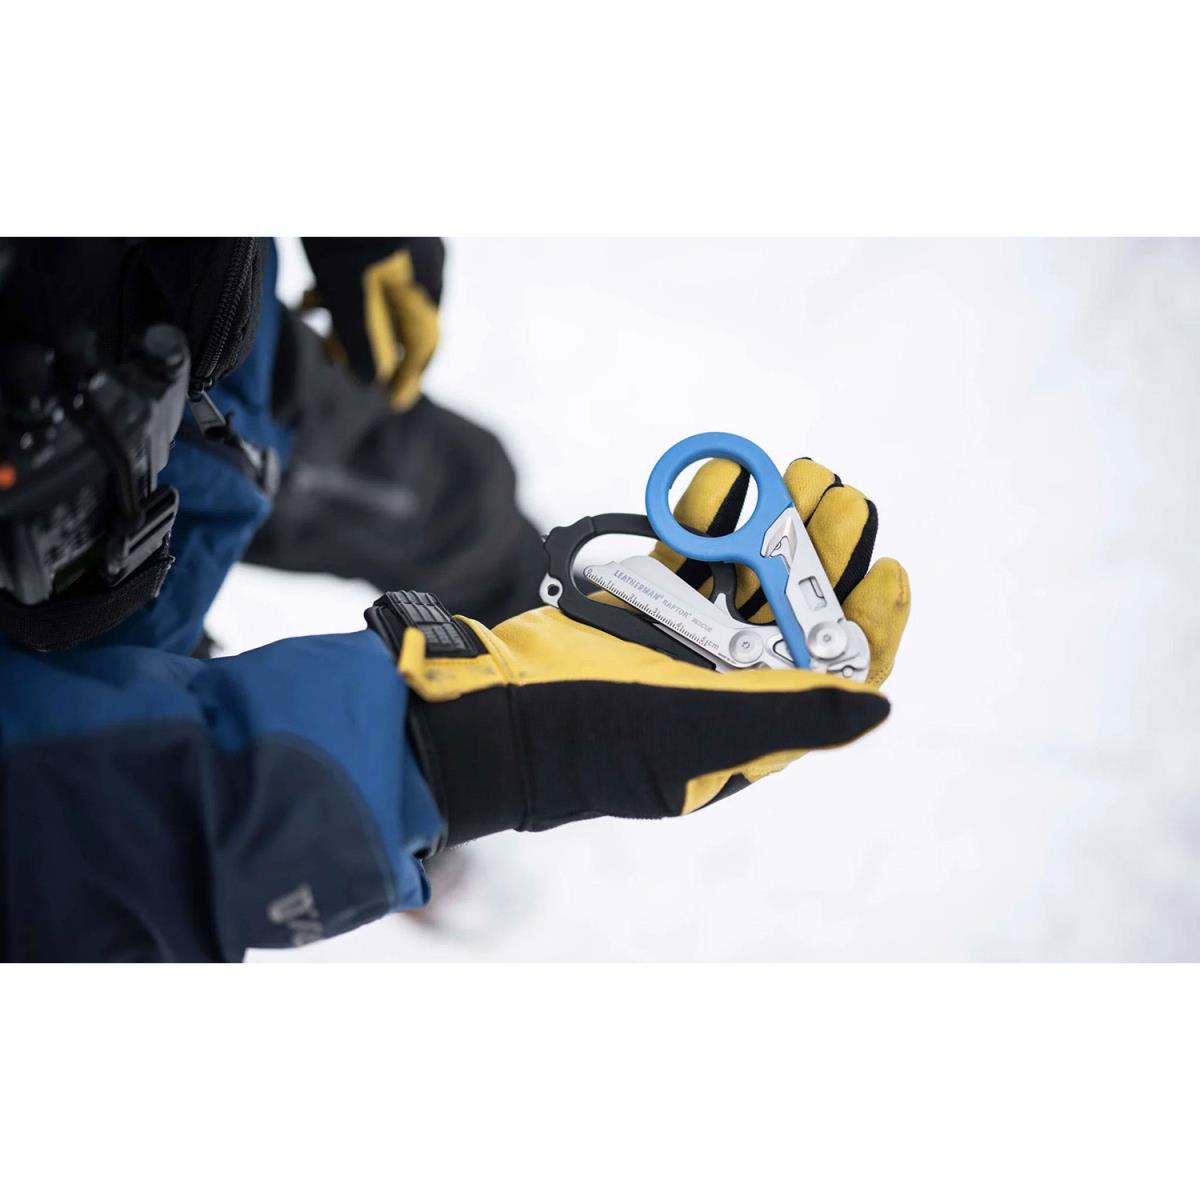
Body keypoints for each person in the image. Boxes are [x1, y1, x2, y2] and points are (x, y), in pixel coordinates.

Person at [0, 238, 911, 961]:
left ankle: (526, 638)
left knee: (452, 502)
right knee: (158, 704)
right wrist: (451, 756)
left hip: (215, 360)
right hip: (61, 616)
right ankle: (402, 823)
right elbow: (76, 836)